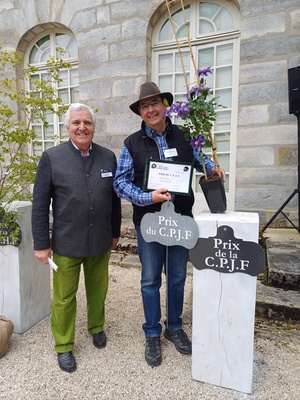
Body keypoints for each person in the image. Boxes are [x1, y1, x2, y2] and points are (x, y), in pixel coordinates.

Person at [113, 82, 225, 367]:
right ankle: (152, 332)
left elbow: (201, 160)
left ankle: (174, 326)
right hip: (149, 222)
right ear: (140, 112)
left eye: (154, 103)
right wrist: (146, 196)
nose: (150, 109)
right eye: (144, 105)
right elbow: (120, 183)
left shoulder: (186, 135)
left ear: (165, 105)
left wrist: (212, 167)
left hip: (181, 220)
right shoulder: (131, 144)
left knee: (176, 277)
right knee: (150, 279)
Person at [32, 103, 121, 373]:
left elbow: (114, 199)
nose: (82, 127)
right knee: (63, 297)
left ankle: (96, 327)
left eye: (87, 123)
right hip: (66, 241)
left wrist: (115, 232)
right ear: (68, 127)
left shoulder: (108, 157)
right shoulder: (52, 157)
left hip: (100, 240)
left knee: (98, 290)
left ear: (94, 127)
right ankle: (63, 345)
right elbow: (39, 204)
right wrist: (41, 244)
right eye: (76, 123)